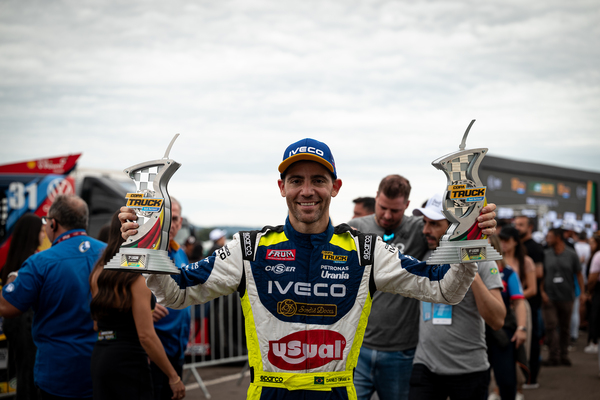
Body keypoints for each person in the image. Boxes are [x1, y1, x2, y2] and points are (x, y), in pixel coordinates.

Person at [119, 138, 498, 400]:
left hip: (335, 391)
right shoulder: (249, 248)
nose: (307, 190)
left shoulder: (365, 250)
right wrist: (146, 244)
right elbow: (176, 292)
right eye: (296, 180)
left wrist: (469, 238)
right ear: (281, 186)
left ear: (335, 187)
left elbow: (444, 289)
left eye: (318, 180)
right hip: (270, 392)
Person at [0, 195, 106, 399]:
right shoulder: (109, 253)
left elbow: (6, 307)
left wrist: (13, 278)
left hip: (58, 373)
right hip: (102, 365)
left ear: (53, 224)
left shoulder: (40, 262)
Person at [408, 195, 506, 400]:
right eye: (425, 223)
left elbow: (497, 320)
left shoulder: (482, 259)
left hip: (468, 370)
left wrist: (470, 270)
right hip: (425, 366)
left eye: (434, 224)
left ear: (454, 228)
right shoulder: (424, 257)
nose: (426, 230)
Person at [90, 212, 185, 400]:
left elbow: (96, 325)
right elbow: (146, 336)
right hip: (129, 360)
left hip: (101, 356)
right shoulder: (137, 276)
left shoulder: (98, 270)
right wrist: (173, 376)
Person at [348, 175, 428, 400]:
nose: (387, 215)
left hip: (401, 351)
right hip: (358, 347)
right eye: (383, 207)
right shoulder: (359, 228)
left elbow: (449, 232)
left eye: (395, 210)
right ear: (376, 198)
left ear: (407, 205)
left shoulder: (419, 229)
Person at [0, 214, 44, 400]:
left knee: (21, 371)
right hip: (25, 323)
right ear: (32, 234)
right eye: (41, 231)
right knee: (28, 374)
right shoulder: (32, 262)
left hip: (14, 323)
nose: (44, 235)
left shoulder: (13, 260)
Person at [151, 198, 191, 400]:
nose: (171, 223)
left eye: (174, 218)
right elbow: (121, 291)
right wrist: (145, 309)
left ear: (180, 222)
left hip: (178, 346)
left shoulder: (179, 252)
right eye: (165, 217)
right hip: (154, 351)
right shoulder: (147, 253)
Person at [486, 234, 528, 400]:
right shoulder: (469, 271)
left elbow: (519, 302)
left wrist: (521, 328)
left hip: (502, 332)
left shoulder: (508, 272)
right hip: (476, 333)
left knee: (506, 379)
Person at [540, 228, 584, 367]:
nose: (547, 239)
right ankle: (554, 355)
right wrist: (542, 292)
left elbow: (579, 274)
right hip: (550, 297)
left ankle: (564, 355)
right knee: (551, 326)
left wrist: (582, 293)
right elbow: (541, 275)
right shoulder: (546, 254)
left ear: (558, 238)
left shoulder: (571, 255)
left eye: (550, 236)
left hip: (567, 297)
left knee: (565, 327)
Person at [512, 215, 544, 388]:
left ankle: (531, 378)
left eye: (521, 224)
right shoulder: (516, 250)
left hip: (530, 303)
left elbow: (539, 274)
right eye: (516, 224)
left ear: (530, 227)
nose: (517, 227)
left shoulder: (534, 249)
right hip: (515, 303)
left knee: (532, 339)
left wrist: (515, 291)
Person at [586, 234, 600, 375]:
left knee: (595, 319)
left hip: (598, 292)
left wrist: (589, 291)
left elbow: (592, 279)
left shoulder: (597, 256)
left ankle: (594, 341)